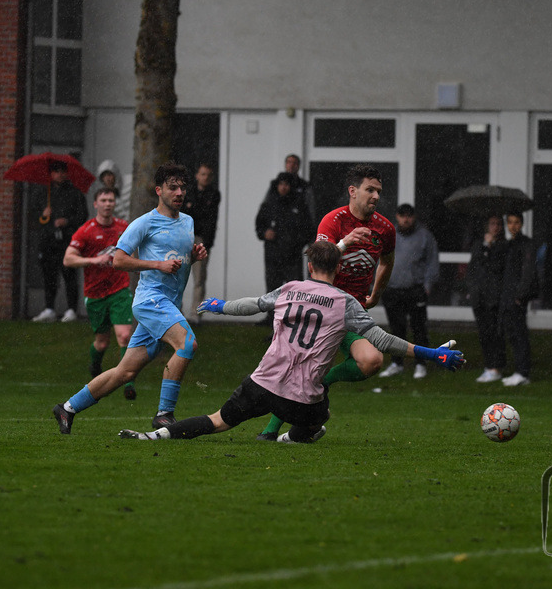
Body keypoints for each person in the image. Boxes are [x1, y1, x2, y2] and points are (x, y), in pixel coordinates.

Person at [118, 241, 465, 442]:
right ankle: (289, 437)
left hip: (262, 383)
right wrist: (432, 354)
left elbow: (254, 305)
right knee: (317, 422)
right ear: (338, 269)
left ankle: (153, 436)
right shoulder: (345, 302)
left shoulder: (290, 289)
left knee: (218, 420)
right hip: (302, 399)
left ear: (310, 266)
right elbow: (383, 340)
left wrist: (220, 306)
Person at [52, 162, 208, 434]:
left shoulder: (187, 221)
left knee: (125, 372)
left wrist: (192, 258)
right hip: (150, 301)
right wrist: (157, 265)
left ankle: (67, 408)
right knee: (187, 343)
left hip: (168, 304)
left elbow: (176, 262)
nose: (179, 192)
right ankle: (164, 414)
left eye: (183, 187)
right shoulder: (144, 223)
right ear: (159, 190)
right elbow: (119, 260)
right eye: (172, 187)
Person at [256, 164, 395, 441]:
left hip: (352, 311)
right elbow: (318, 260)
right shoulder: (333, 221)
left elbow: (387, 262)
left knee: (372, 361)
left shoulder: (385, 228)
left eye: (379, 191)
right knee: (299, 368)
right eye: (370, 190)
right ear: (352, 191)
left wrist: (376, 294)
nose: (376, 196)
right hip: (323, 307)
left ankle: (323, 381)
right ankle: (270, 432)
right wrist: (346, 241)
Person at [62, 186, 137, 400]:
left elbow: (135, 250)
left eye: (111, 200)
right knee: (102, 342)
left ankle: (128, 382)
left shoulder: (123, 227)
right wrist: (94, 260)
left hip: (119, 290)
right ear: (96, 204)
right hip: (95, 294)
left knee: (125, 336)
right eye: (103, 200)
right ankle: (95, 364)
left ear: (115, 204)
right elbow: (68, 259)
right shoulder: (86, 231)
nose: (107, 204)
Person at [378, 204, 440, 379]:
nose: (406, 219)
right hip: (392, 289)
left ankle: (420, 364)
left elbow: (432, 262)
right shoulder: (388, 235)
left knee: (419, 329)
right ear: (397, 217)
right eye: (402, 215)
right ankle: (397, 363)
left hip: (415, 290)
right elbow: (378, 259)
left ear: (414, 217)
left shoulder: (425, 236)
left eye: (409, 216)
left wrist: (427, 286)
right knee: (396, 329)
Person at [32, 160, 89, 323]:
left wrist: (67, 221)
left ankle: (71, 309)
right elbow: (34, 217)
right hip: (48, 241)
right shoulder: (43, 193)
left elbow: (82, 215)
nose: (60, 174)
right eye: (56, 171)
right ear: (51, 174)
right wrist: (44, 215)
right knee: (49, 275)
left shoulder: (75, 193)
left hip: (67, 241)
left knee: (69, 274)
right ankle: (49, 308)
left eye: (62, 171)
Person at [256, 171, 316, 293]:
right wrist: (264, 233)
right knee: (273, 291)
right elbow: (259, 224)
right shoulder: (269, 204)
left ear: (291, 186)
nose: (283, 187)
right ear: (277, 185)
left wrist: (297, 242)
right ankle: (273, 308)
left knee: (295, 291)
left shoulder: (299, 205)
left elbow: (308, 228)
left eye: (286, 184)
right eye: (281, 184)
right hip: (273, 255)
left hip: (293, 256)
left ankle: (293, 308)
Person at [466, 214, 509, 383]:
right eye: (492, 224)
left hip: (495, 296)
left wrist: (490, 248)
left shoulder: (504, 246)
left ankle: (496, 366)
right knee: (484, 333)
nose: (495, 227)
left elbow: (497, 267)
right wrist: (471, 289)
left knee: (495, 333)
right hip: (479, 296)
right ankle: (489, 365)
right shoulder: (479, 245)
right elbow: (473, 267)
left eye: (498, 224)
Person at [500, 210, 539, 386]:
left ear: (522, 224)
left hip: (516, 297)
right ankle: (519, 370)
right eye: (510, 222)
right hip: (508, 295)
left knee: (519, 333)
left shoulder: (526, 244)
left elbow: (528, 271)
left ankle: (523, 372)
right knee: (512, 334)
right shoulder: (509, 244)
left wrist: (520, 295)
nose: (513, 226)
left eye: (516, 222)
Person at [181, 163, 221, 320]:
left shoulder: (213, 194)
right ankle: (176, 312)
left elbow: (210, 219)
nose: (205, 178)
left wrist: (207, 241)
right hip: (185, 238)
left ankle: (195, 314)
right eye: (203, 174)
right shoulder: (187, 193)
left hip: (201, 239)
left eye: (208, 175)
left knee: (199, 278)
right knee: (178, 276)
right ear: (197, 175)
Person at [264, 153, 315, 222]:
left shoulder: (304, 186)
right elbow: (266, 205)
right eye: (289, 162)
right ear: (285, 165)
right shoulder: (275, 184)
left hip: (298, 223)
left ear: (298, 166)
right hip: (278, 222)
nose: (291, 165)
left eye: (294, 163)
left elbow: (310, 208)